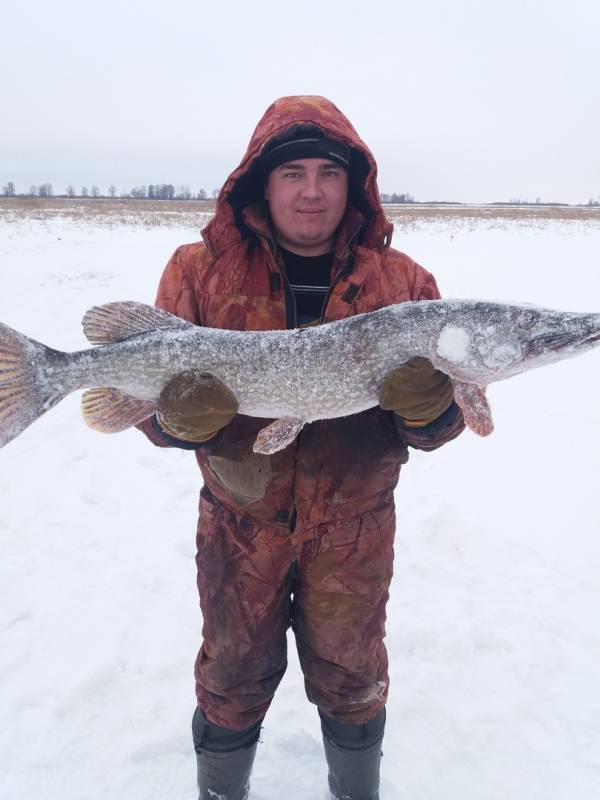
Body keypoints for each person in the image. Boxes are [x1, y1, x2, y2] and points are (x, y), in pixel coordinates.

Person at [138, 95, 465, 800]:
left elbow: (441, 428)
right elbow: (146, 409)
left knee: (353, 678)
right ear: (261, 182)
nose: (312, 191)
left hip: (355, 529)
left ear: (354, 184)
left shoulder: (403, 286)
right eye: (293, 173)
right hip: (239, 525)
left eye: (328, 172)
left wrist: (431, 410)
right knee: (230, 677)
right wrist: (178, 421)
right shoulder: (199, 272)